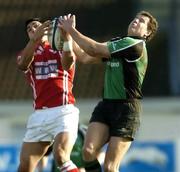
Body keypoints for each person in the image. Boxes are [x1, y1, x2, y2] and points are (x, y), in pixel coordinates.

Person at [59, 11, 158, 172]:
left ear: (147, 33)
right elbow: (85, 57)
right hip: (106, 105)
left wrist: (71, 30)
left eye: (141, 21)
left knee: (111, 167)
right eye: (135, 18)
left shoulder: (135, 45)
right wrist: (67, 39)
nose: (136, 21)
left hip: (127, 110)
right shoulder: (119, 43)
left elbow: (93, 48)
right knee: (88, 152)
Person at [16, 17, 80, 172]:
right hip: (40, 114)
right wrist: (34, 41)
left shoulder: (60, 47)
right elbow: (23, 63)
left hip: (63, 111)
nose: (32, 28)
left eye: (36, 26)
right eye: (29, 28)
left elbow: (68, 62)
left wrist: (67, 39)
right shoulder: (27, 53)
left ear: (48, 30)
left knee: (61, 156)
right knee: (24, 167)